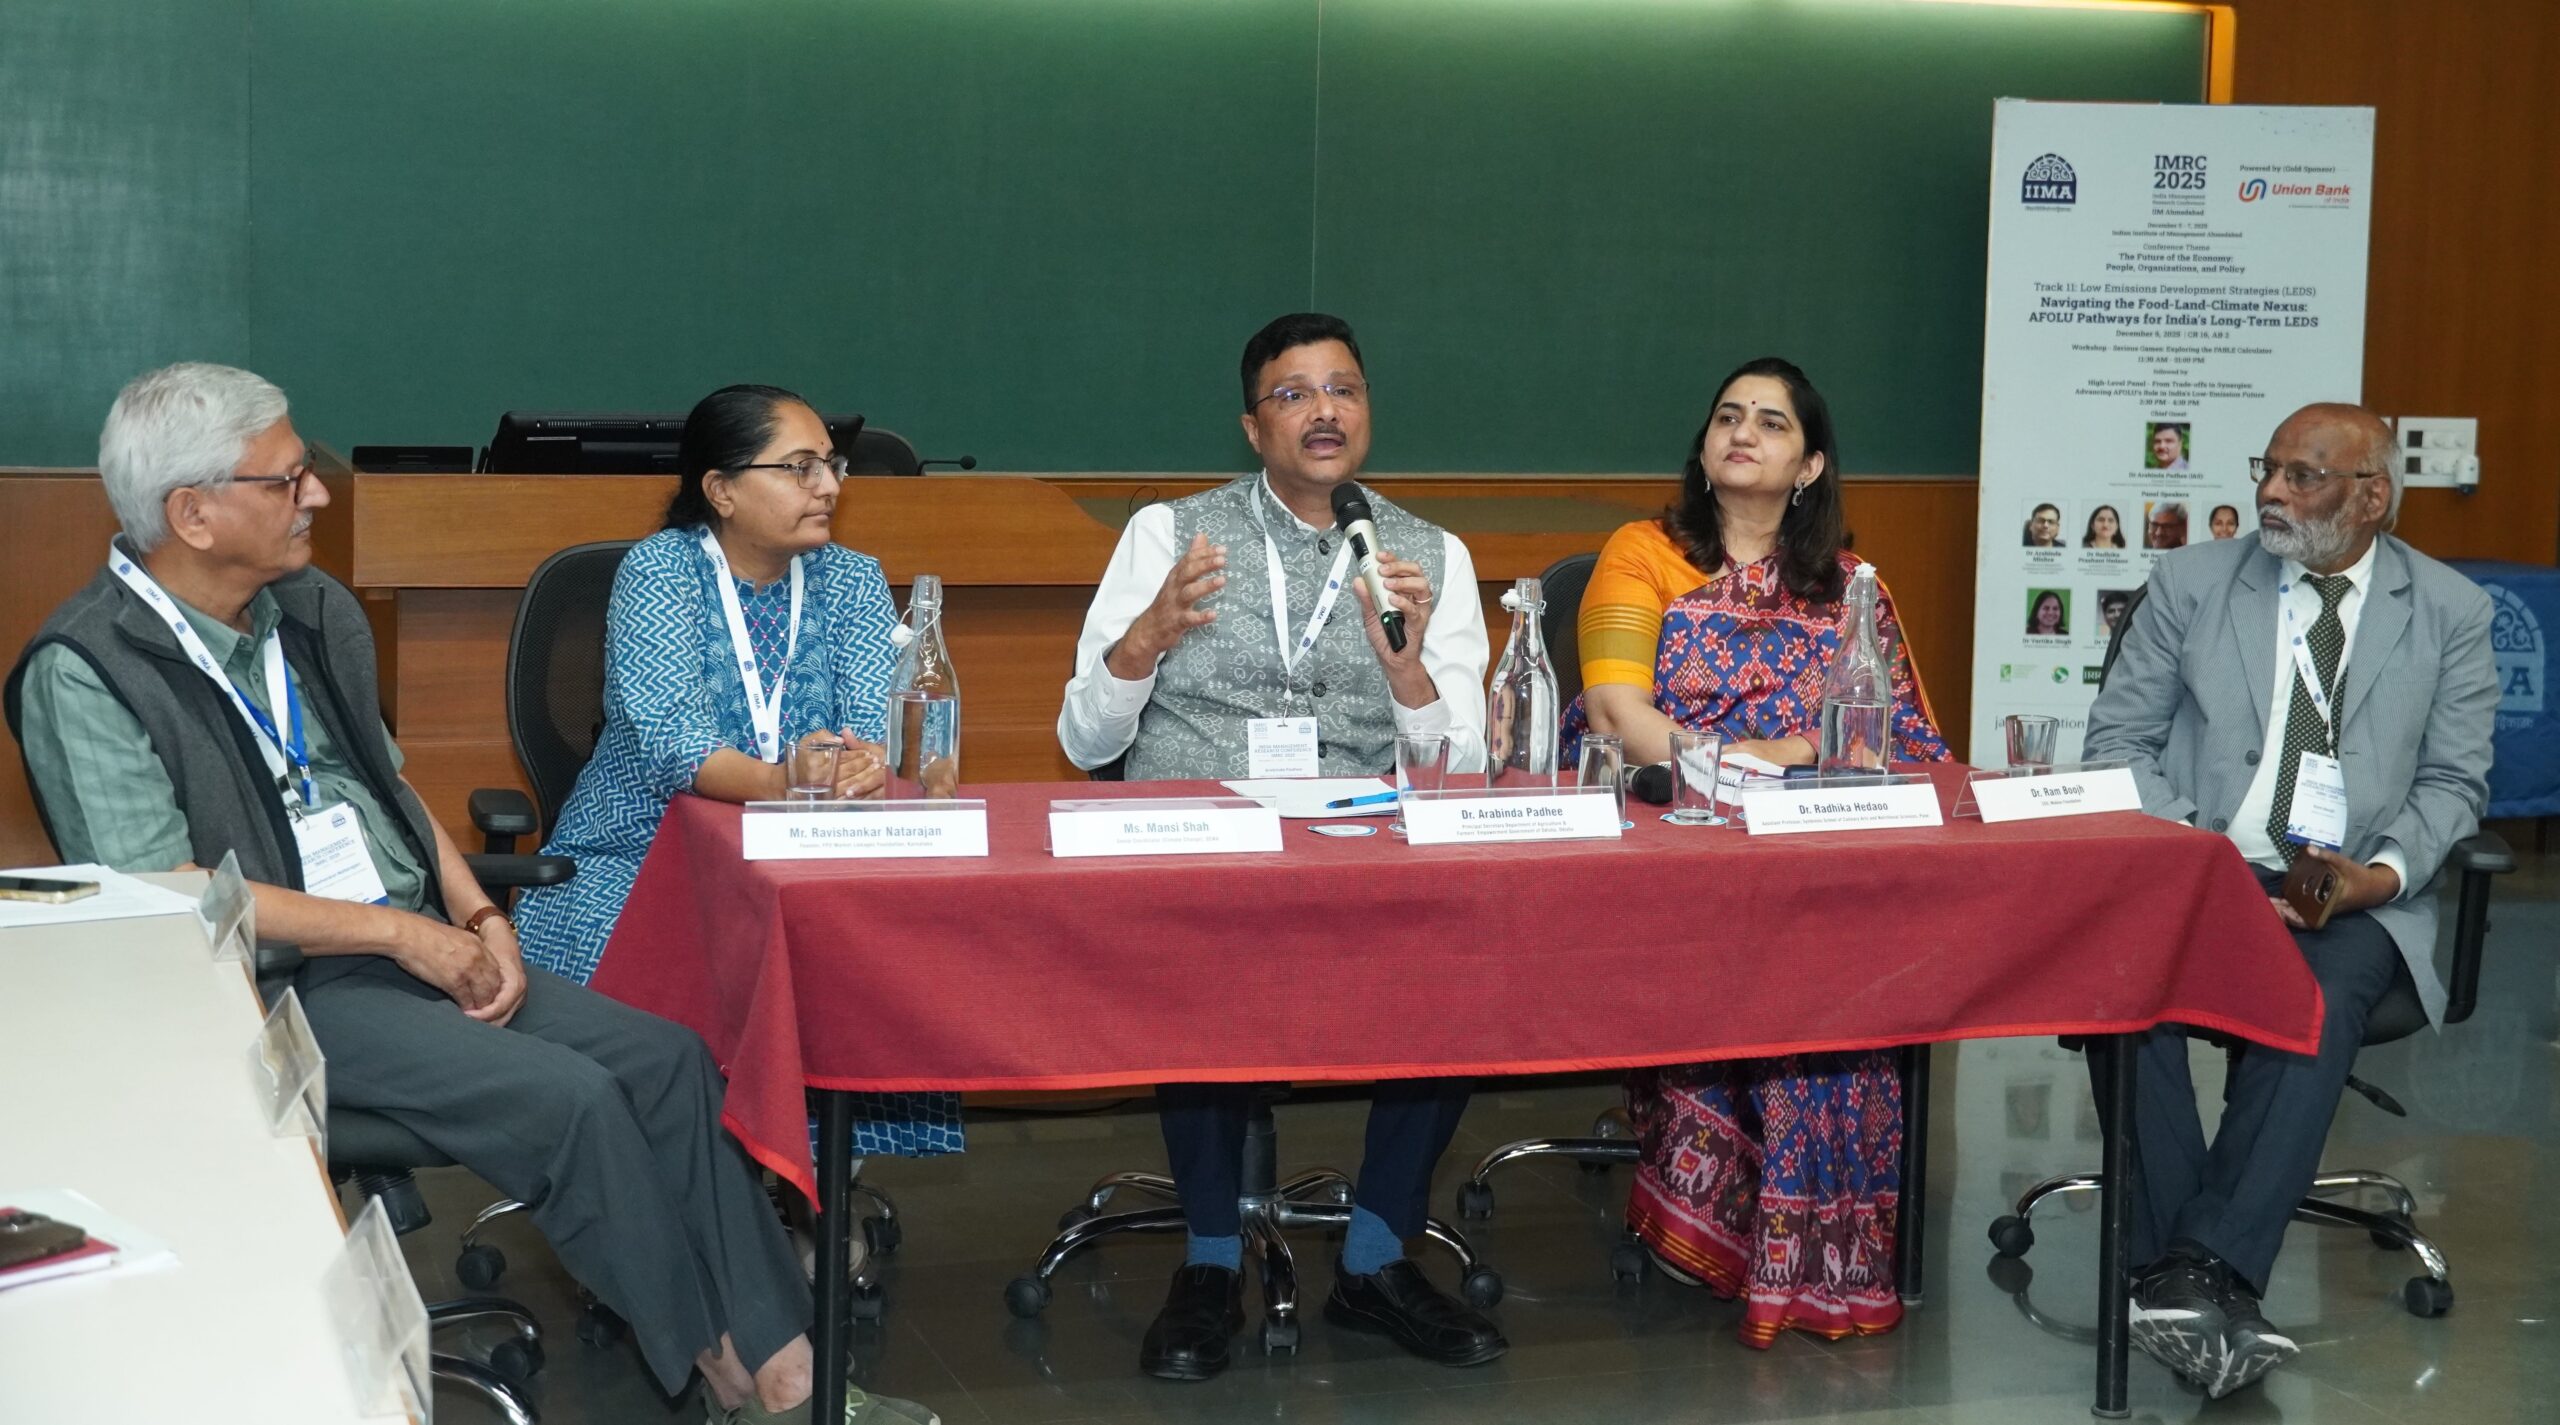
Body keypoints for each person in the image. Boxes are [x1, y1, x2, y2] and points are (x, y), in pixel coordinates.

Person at [2, 364, 939, 1425]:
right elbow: (171, 900)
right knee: (571, 1101)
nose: (316, 494)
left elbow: (389, 786)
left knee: (670, 1062)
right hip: (270, 993)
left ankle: (789, 1362)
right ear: (194, 514)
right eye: (288, 479)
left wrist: (481, 917)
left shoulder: (309, 611)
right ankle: (728, 1375)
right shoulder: (86, 669)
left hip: (414, 944)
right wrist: (403, 935)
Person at [1056, 313, 1499, 1380]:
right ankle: (1209, 1261)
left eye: (1343, 389)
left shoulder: (1429, 554)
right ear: (1253, 428)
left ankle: (1379, 1256)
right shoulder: (1170, 533)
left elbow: (1466, 768)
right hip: (1199, 834)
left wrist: (1405, 672)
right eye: (1294, 395)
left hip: (1358, 840)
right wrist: (1148, 636)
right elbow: (1084, 741)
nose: (1324, 411)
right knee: (1201, 967)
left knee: (1457, 959)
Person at [2084, 402, 2495, 1398]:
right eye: (2266, 468)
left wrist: (2383, 875)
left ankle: (2186, 1273)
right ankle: (2200, 1272)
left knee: (2308, 995)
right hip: (2193, 868)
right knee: (2117, 987)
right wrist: (2203, 860)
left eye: (2301, 476)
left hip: (2345, 890)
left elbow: (2453, 784)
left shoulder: (2449, 610)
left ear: (2370, 496)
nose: (2269, 491)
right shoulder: (2189, 581)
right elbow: (2116, 749)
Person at [1567, 357, 1951, 1345]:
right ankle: (1737, 1223)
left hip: (1817, 845)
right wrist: (1744, 769)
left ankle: (1813, 1237)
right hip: (1679, 832)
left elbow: (1898, 739)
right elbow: (1614, 709)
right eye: (1727, 416)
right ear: (1703, 446)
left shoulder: (1855, 586)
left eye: (1771, 423)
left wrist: (1799, 767)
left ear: (1810, 464)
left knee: (1842, 967)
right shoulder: (1641, 553)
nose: (1742, 432)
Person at [509, 387, 963, 1198]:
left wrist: (860, 766)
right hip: (644, 848)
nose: (827, 486)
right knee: (654, 953)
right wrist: (782, 782)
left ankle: (815, 1189)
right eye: (799, 468)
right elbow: (667, 743)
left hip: (804, 855)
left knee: (862, 949)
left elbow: (872, 724)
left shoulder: (852, 579)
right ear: (721, 490)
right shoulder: (661, 570)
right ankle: (654, 1197)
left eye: (831, 464)